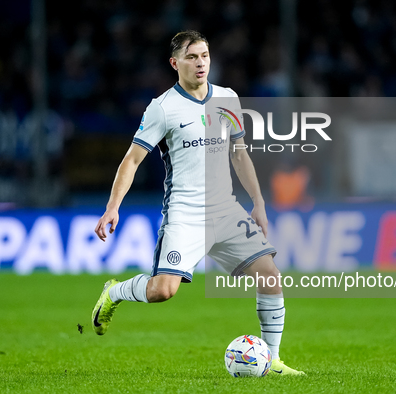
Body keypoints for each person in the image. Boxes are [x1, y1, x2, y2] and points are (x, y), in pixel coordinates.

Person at [92, 30, 304, 376]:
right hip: (185, 214)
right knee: (162, 291)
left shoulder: (227, 98)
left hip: (226, 210)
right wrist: (112, 206)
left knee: (270, 277)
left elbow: (239, 153)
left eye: (204, 55)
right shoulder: (162, 108)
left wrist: (258, 201)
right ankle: (115, 292)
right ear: (175, 63)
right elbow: (132, 160)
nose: (201, 63)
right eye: (192, 57)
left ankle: (274, 359)